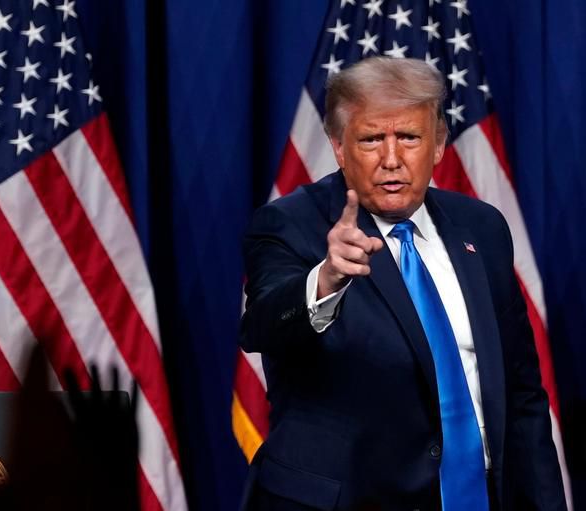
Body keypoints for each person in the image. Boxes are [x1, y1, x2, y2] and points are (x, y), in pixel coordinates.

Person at [240, 57, 567, 511]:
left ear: (437, 145)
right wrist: (326, 278)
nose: (391, 160)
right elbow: (262, 325)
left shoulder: (482, 229)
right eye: (372, 139)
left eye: (408, 138)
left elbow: (522, 395)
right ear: (338, 146)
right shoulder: (291, 224)